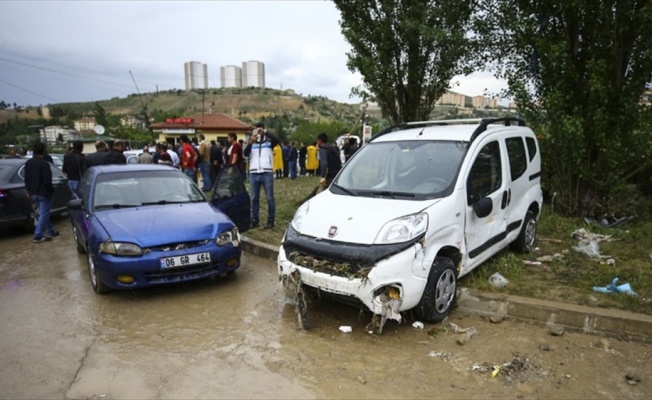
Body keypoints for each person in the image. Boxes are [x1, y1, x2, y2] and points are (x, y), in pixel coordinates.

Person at [243, 122, 279, 229]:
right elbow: (245, 153)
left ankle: (270, 220)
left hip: (266, 172)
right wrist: (251, 142)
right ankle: (254, 219)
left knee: (270, 198)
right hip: (254, 172)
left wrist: (266, 132)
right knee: (254, 198)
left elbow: (277, 140)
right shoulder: (252, 142)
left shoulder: (269, 142)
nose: (258, 132)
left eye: (260, 130)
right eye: (257, 130)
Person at [24, 142, 59, 243]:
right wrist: (51, 191)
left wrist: (29, 191)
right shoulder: (44, 164)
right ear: (44, 151)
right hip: (44, 193)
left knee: (43, 213)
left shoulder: (28, 162)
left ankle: (51, 231)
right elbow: (47, 181)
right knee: (44, 213)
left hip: (33, 192)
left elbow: (27, 179)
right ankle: (38, 235)